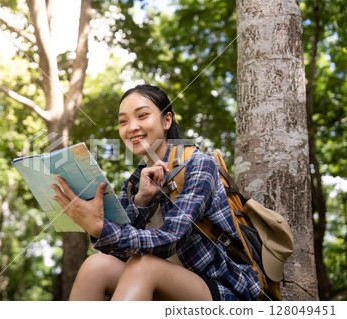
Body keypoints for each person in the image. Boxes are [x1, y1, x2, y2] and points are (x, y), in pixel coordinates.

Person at [51, 84, 261, 301]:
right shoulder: (134, 183)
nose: (131, 127)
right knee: (95, 266)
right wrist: (141, 200)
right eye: (123, 121)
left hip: (222, 287)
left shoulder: (199, 164)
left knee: (145, 266)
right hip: (157, 282)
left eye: (142, 116)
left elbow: (171, 239)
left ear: (166, 120)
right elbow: (116, 250)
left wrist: (100, 228)